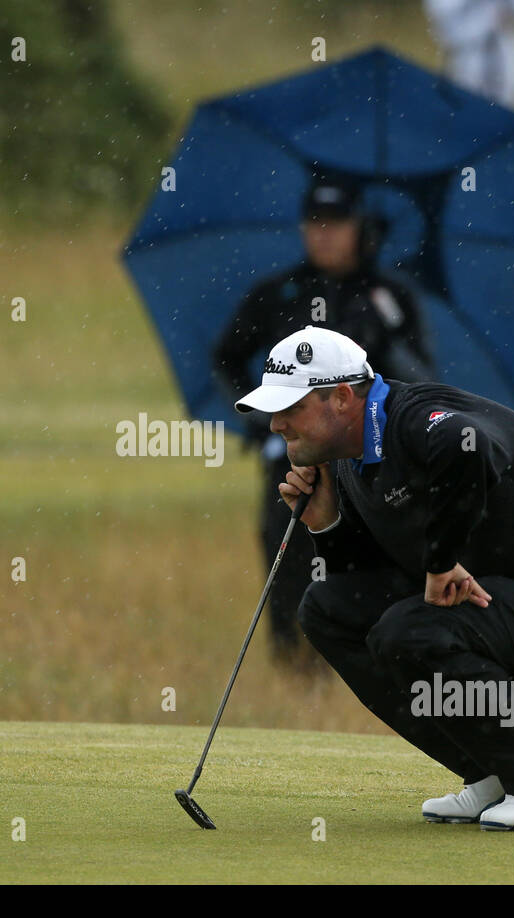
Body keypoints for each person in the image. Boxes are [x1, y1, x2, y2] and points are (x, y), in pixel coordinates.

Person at [233, 326, 514, 830]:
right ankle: (494, 769)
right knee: (328, 609)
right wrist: (329, 525)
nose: (276, 423)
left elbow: (466, 448)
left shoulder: (411, 419)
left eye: (291, 408)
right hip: (508, 600)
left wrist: (439, 562)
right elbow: (364, 584)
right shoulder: (347, 462)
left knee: (409, 631)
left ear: (342, 397)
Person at [213, 172, 433, 672]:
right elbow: (226, 357)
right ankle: (296, 679)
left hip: (370, 468)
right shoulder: (277, 293)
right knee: (289, 572)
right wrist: (258, 424)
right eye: (315, 222)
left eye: (336, 222)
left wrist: (391, 331)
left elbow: (419, 379)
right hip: (292, 463)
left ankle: (366, 674)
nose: (324, 233)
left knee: (369, 576)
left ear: (362, 228)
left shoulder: (388, 298)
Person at [425, 0, 514, 109]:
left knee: (505, 119)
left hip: (509, 69)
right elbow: (451, 30)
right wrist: (492, 16)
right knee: (468, 115)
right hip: (466, 70)